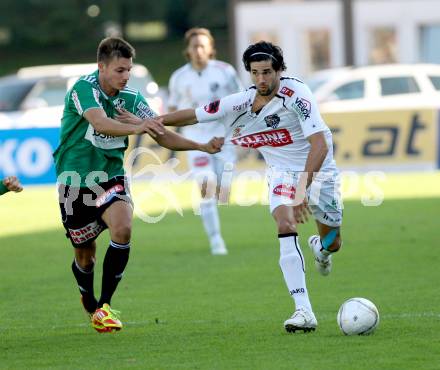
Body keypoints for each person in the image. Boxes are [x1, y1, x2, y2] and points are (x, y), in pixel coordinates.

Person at [118, 41, 343, 333]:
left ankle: (321, 250)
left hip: (319, 170)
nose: (261, 79)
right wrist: (147, 122)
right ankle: (303, 311)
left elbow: (320, 144)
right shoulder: (241, 101)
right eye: (255, 73)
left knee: (333, 242)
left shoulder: (297, 94)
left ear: (279, 70)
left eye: (267, 72)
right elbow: (193, 114)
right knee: (284, 224)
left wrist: (303, 188)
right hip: (281, 174)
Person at [53, 37, 223, 334]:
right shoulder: (83, 89)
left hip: (110, 177)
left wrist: (201, 146)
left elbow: (160, 132)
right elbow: (101, 123)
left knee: (123, 227)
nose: (126, 76)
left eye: (129, 70)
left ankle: (104, 307)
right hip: (75, 179)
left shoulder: (131, 98)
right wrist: (137, 127)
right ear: (101, 67)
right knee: (85, 254)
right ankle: (87, 296)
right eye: (120, 70)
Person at [167, 27, 243, 255]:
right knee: (206, 186)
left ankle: (217, 218)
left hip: (224, 138)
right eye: (194, 46)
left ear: (210, 49)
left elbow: (242, 101)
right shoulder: (179, 77)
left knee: (224, 191)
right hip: (196, 140)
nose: (198, 50)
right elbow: (172, 108)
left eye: (202, 46)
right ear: (188, 51)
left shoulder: (225, 71)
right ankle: (216, 240)